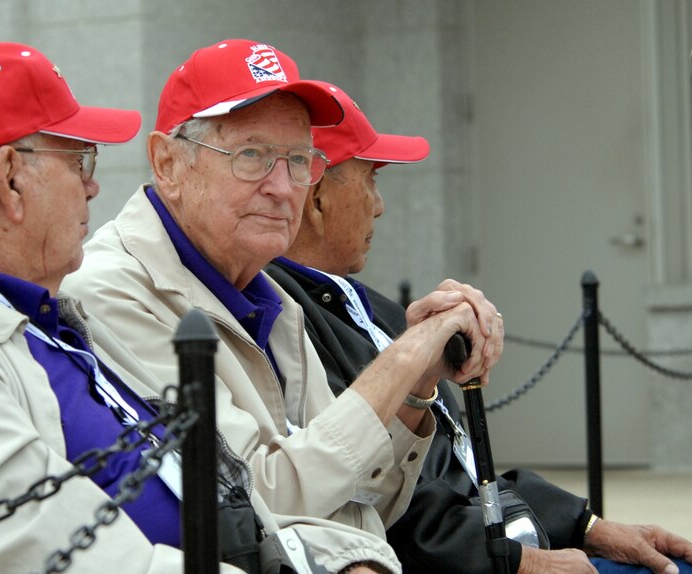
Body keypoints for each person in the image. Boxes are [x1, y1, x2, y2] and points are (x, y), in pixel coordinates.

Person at [0, 42, 390, 574]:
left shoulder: (43, 319)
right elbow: (44, 555)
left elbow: (235, 501)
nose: (93, 188)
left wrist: (334, 562)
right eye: (79, 161)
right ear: (10, 180)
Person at [62, 38, 504, 574]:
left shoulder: (268, 292)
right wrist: (402, 358)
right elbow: (255, 501)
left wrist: (415, 390)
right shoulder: (110, 290)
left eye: (299, 160)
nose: (282, 187)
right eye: (251, 155)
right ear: (167, 162)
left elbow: (366, 504)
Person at [264, 81, 692, 574]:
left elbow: (459, 467)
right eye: (371, 180)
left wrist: (588, 525)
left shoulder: (363, 303)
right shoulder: (288, 325)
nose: (380, 205)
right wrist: (524, 562)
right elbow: (375, 507)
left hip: (497, 540)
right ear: (317, 200)